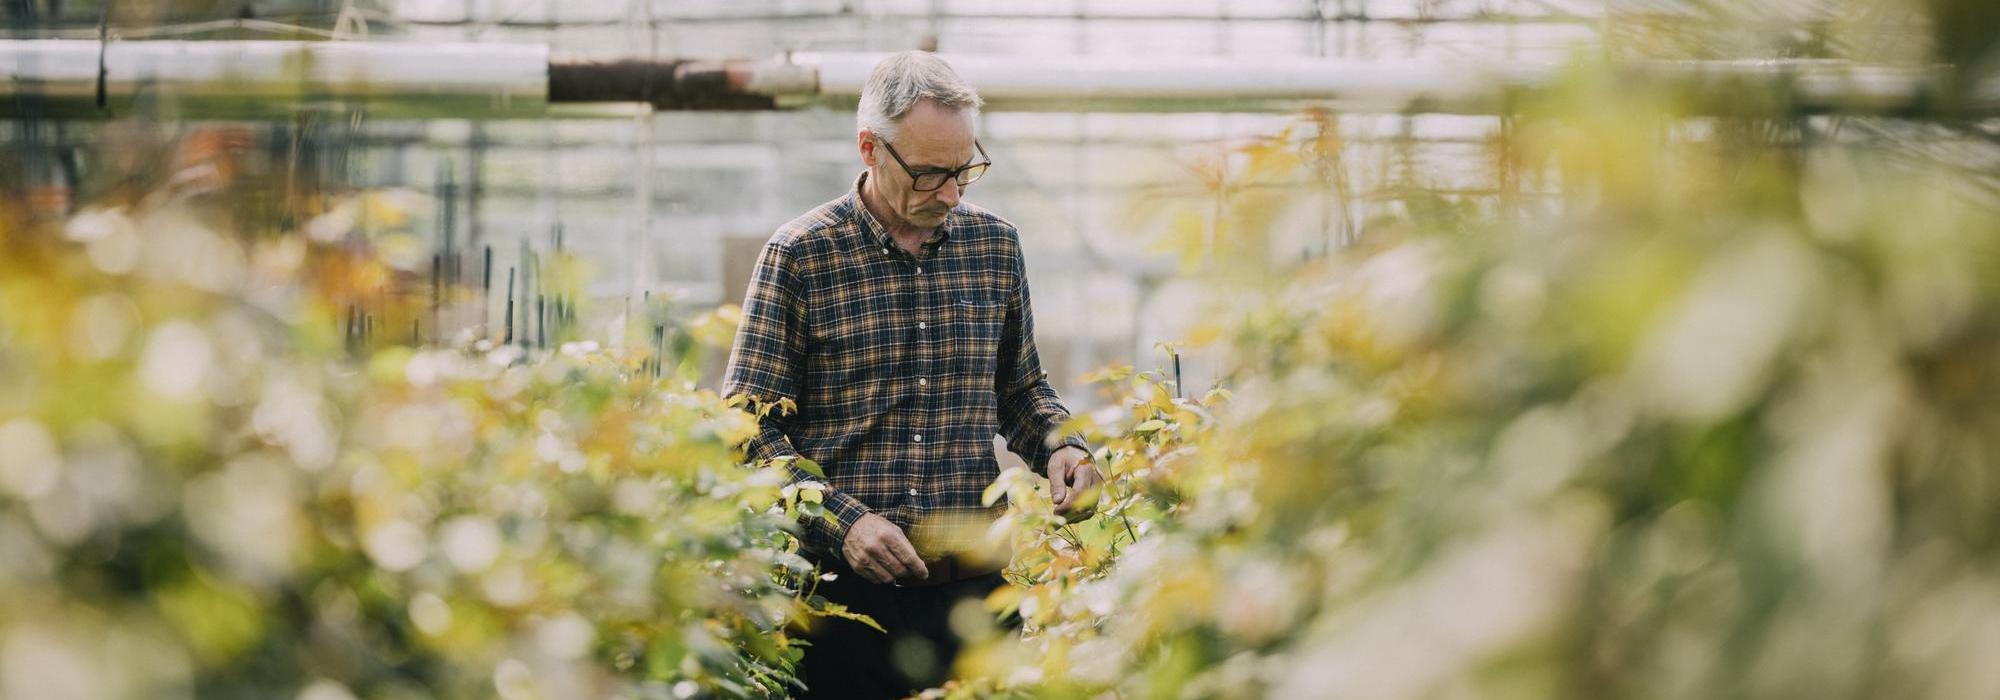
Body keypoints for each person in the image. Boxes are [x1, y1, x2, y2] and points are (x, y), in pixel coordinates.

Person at [720, 51, 1101, 698]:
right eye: (930, 175)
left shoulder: (994, 247)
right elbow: (747, 432)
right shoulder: (802, 257)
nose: (951, 194)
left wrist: (1064, 446)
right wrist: (844, 523)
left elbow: (1020, 390)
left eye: (965, 171)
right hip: (842, 602)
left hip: (975, 596)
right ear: (870, 148)